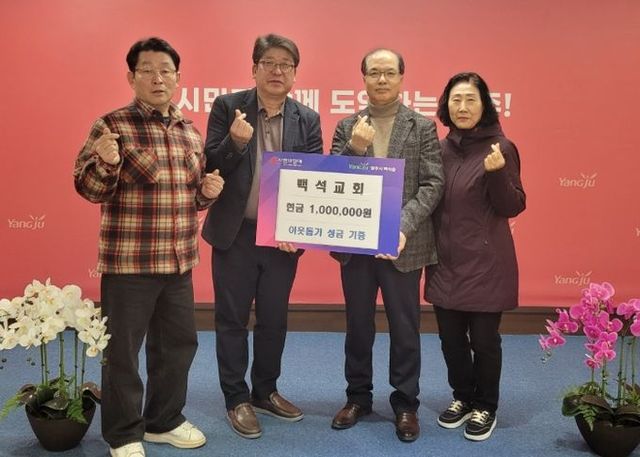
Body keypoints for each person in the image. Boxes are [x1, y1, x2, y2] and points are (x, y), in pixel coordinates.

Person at [74, 37, 224, 457]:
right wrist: (106, 162)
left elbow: (191, 197)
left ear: (178, 77)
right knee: (122, 353)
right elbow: (89, 189)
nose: (158, 78)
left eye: (166, 71)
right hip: (130, 264)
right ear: (131, 77)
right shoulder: (111, 126)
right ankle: (123, 433)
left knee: (177, 348)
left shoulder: (189, 131)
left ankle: (164, 421)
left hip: (179, 262)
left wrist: (207, 193)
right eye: (147, 70)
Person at [201, 33, 323, 439]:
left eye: (285, 65)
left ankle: (265, 391)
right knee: (232, 319)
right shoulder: (228, 107)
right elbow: (211, 166)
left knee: (274, 318)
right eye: (268, 62)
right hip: (235, 233)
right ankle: (236, 397)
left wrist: (298, 228)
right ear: (254, 69)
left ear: (295, 74)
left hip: (281, 238)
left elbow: (313, 180)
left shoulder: (307, 119)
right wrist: (235, 142)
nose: (276, 71)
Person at [329, 48, 444, 442]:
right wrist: (355, 149)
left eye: (389, 72)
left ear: (401, 78)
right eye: (374, 72)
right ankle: (357, 397)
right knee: (358, 326)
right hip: (356, 245)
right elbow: (334, 180)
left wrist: (403, 227)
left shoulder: (421, 126)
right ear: (363, 78)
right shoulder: (347, 126)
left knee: (405, 328)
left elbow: (432, 184)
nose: (381, 79)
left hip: (402, 245)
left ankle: (405, 403)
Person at [426, 72, 526, 442]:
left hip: (486, 265)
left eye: (471, 99)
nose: (463, 107)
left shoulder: (502, 147)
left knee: (484, 341)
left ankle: (486, 405)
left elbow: (513, 205)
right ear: (446, 106)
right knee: (450, 340)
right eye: (456, 99)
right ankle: (462, 397)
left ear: (484, 105)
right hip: (445, 263)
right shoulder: (440, 149)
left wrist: (497, 174)